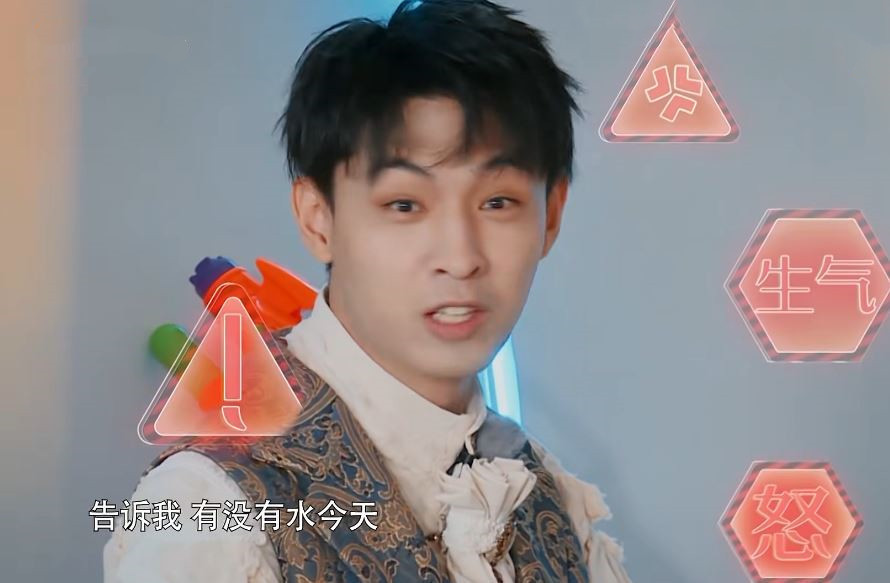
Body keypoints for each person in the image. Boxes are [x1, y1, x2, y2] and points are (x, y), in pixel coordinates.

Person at [104, 1, 633, 581]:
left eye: (497, 202)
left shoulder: (549, 497)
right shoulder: (210, 510)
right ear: (318, 219)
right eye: (404, 205)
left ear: (550, 216)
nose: (461, 258)